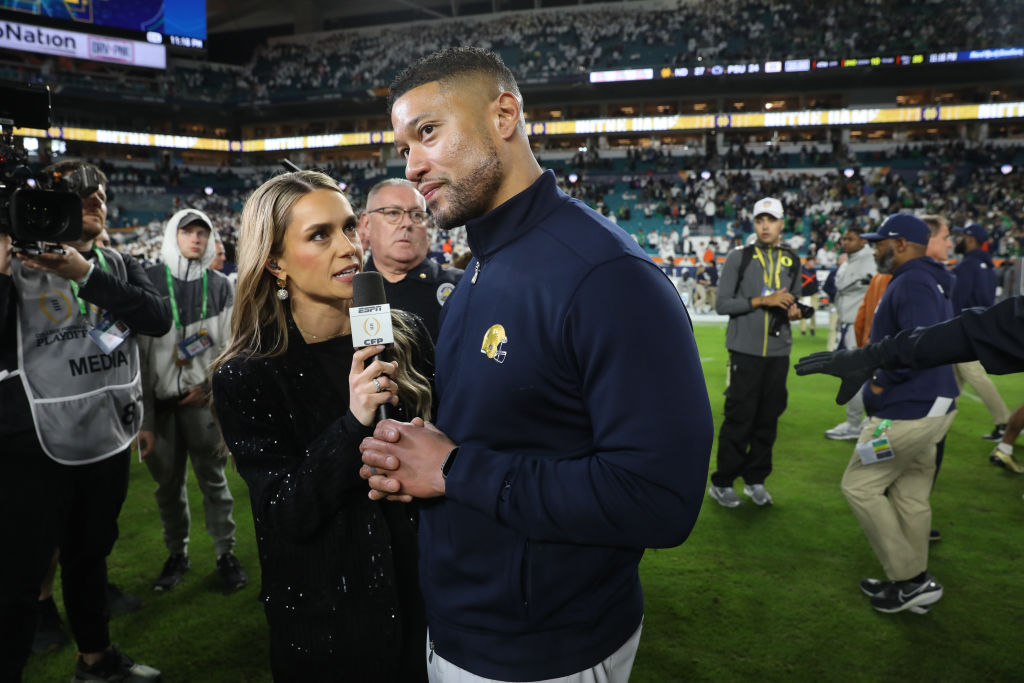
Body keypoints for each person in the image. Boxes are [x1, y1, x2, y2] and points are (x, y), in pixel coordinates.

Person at [359, 47, 712, 683]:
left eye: (428, 131)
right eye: (403, 145)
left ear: (504, 115)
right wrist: (417, 457)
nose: (411, 165)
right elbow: (498, 433)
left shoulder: (605, 275)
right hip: (465, 626)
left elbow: (661, 500)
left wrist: (455, 469)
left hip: (543, 648)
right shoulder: (481, 264)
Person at [210, 170, 433, 681]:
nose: (349, 247)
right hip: (331, 622)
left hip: (425, 596)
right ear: (275, 263)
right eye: (320, 235)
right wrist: (353, 422)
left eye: (350, 228)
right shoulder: (248, 373)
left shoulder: (404, 335)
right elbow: (286, 513)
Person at [0, 160, 168, 682]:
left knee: (89, 557)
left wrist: (84, 275)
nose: (95, 199)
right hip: (30, 446)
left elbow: (157, 318)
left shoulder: (115, 263)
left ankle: (95, 661)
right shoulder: (14, 270)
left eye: (99, 192)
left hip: (106, 435)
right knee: (17, 582)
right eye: (77, 193)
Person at [836, 214, 959, 614]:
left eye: (880, 242)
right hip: (933, 405)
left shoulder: (913, 281)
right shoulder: (931, 279)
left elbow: (918, 346)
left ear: (901, 243)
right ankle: (911, 581)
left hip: (908, 409)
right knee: (910, 495)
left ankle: (910, 579)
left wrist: (880, 380)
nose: (875, 249)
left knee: (860, 485)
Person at [137, 209, 247, 593]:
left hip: (203, 403)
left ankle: (225, 554)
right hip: (161, 406)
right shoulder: (149, 281)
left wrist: (211, 387)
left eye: (203, 232)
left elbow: (233, 348)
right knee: (167, 488)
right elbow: (141, 358)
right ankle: (177, 554)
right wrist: (145, 419)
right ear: (173, 235)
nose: (196, 239)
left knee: (215, 483)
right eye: (188, 232)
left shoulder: (220, 285)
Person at [708, 196, 801, 508]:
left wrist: (795, 310)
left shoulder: (792, 258)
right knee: (740, 418)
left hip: (778, 352)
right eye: (761, 219)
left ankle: (755, 479)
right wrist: (763, 301)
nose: (765, 225)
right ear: (754, 223)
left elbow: (794, 299)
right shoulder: (739, 257)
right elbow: (722, 304)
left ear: (781, 224)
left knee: (768, 419)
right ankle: (722, 482)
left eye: (771, 220)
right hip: (745, 352)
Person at [358, 178, 463, 341]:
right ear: (366, 222)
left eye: (417, 215)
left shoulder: (461, 287)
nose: (407, 223)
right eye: (393, 213)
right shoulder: (346, 294)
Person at [951, 223, 1011, 442]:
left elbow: (957, 301)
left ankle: (1005, 421)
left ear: (969, 240)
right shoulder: (988, 267)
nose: (957, 240)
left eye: (961, 237)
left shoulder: (967, 266)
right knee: (953, 381)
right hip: (980, 327)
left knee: (974, 376)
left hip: (964, 330)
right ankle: (939, 421)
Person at [824, 227, 875, 440]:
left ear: (863, 241)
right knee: (857, 375)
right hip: (847, 324)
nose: (845, 241)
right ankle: (867, 419)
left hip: (859, 325)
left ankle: (856, 423)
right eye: (844, 238)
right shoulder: (848, 261)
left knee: (854, 375)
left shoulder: (871, 260)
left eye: (850, 238)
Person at [798, 255, 819, 336]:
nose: (813, 263)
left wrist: (816, 290)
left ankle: (812, 329)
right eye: (811, 262)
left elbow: (815, 282)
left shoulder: (813, 271)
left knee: (813, 311)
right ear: (807, 262)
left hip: (813, 294)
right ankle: (803, 330)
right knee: (803, 312)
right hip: (803, 294)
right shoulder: (801, 270)